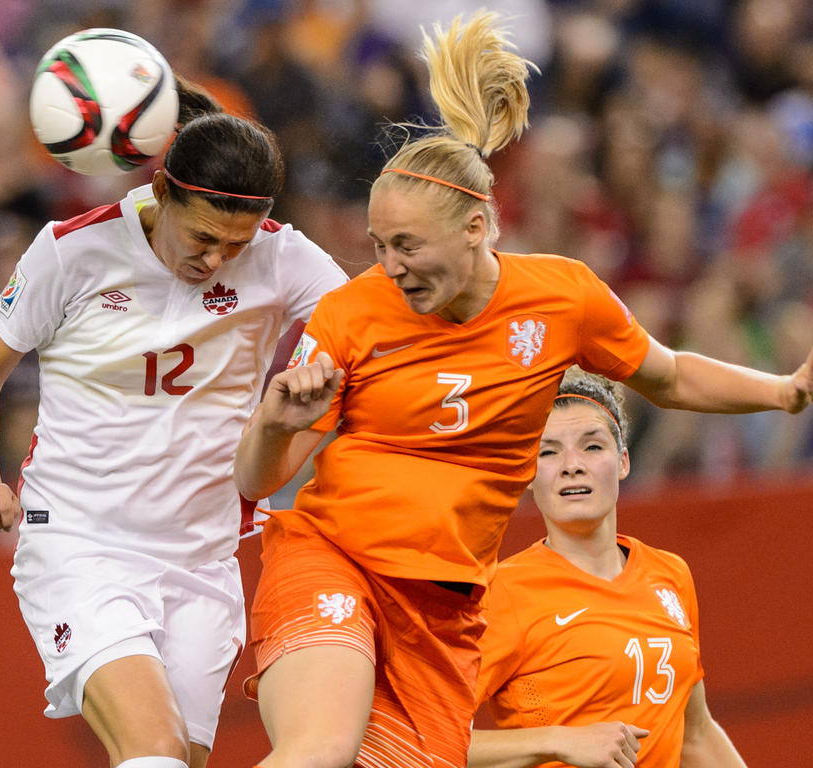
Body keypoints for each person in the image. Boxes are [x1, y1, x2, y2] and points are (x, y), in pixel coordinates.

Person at [233, 12, 812, 768]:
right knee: (323, 748)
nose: (389, 265)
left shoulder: (563, 298)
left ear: (477, 229)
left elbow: (666, 374)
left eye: (406, 244)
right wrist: (277, 423)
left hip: (443, 607)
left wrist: (784, 392)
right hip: (334, 558)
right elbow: (257, 480)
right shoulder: (352, 311)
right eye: (378, 245)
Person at [0, 75, 347, 768]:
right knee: (153, 750)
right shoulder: (72, 251)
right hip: (81, 542)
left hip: (204, 556)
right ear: (161, 192)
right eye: (203, 236)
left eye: (237, 243)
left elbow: (373, 332)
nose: (217, 259)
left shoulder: (283, 257)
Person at [467, 369, 747, 768]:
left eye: (592, 447)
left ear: (623, 461)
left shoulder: (671, 574)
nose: (571, 465)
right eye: (548, 451)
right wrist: (556, 741)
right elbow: (424, 740)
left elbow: (696, 734)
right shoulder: (502, 593)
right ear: (528, 474)